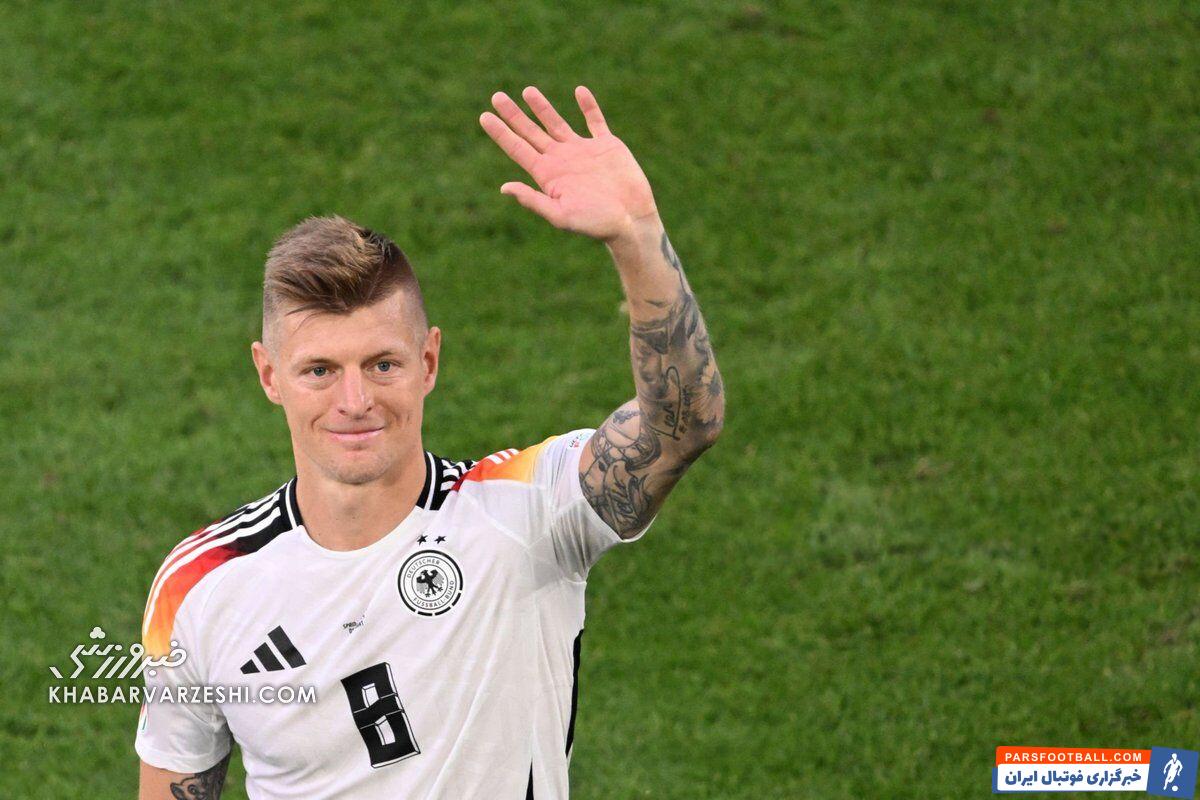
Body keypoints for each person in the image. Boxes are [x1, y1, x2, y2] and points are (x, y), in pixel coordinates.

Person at [135, 85, 725, 799]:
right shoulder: (202, 586)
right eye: (320, 370)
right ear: (269, 376)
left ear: (429, 361)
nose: (355, 401)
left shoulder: (524, 512)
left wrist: (636, 237)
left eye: (382, 364)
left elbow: (682, 424)